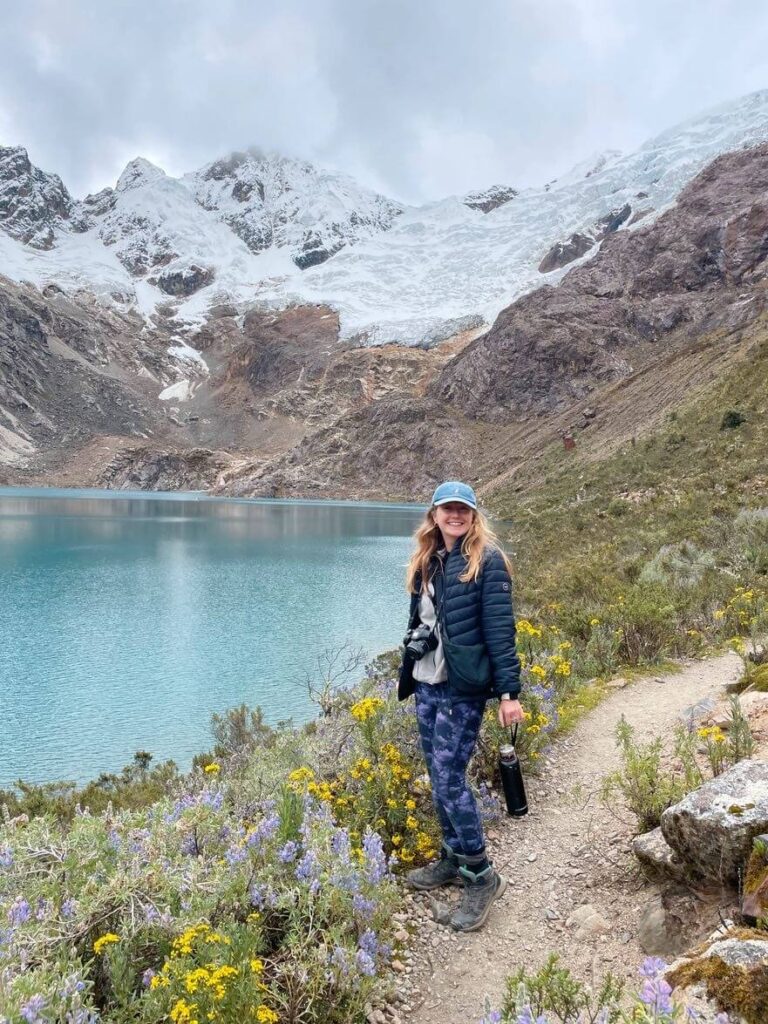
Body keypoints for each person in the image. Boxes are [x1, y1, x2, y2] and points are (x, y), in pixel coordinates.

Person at [398, 480, 523, 932]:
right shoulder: (428, 561)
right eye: (447, 509)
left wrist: (509, 694)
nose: (455, 516)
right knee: (436, 776)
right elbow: (426, 619)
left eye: (463, 509)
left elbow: (500, 632)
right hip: (427, 682)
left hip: (463, 688)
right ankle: (453, 857)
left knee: (451, 779)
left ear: (473, 515)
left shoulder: (487, 563)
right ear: (434, 514)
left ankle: (481, 875)